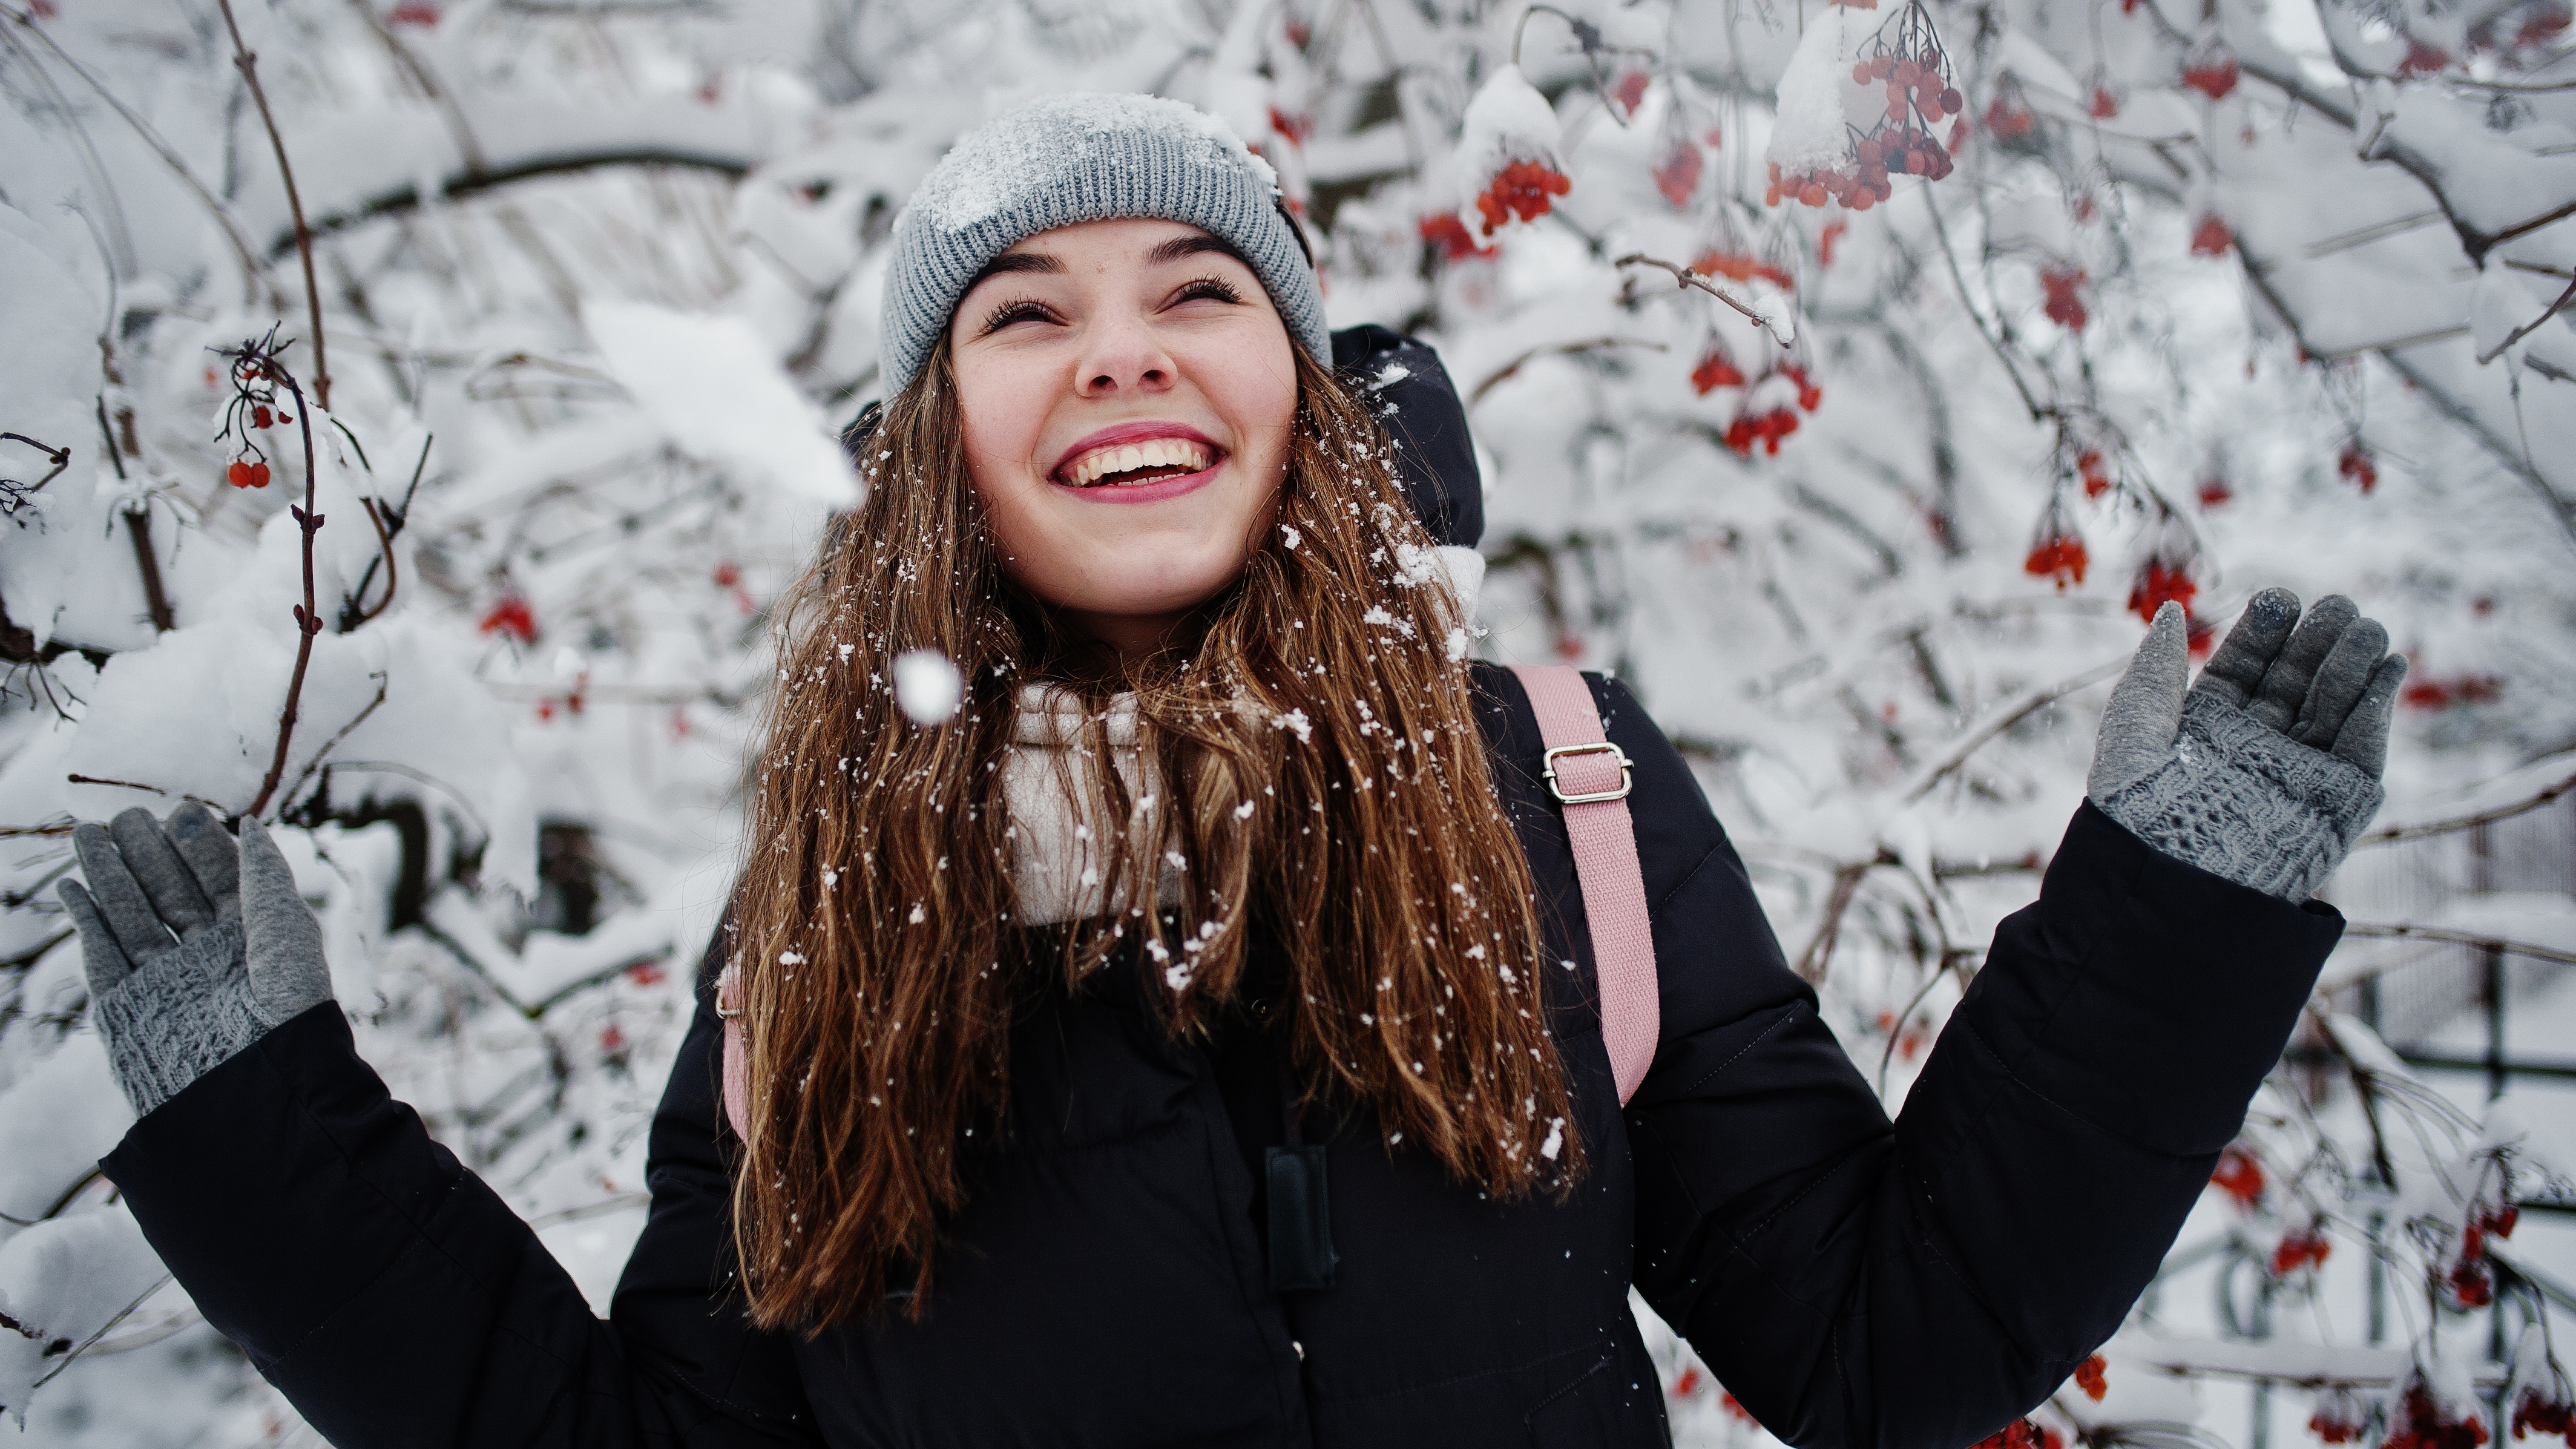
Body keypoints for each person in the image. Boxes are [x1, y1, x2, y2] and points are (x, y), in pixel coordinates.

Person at [62, 93, 2406, 1449]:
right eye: (1023, 313)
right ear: (935, 457)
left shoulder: (1553, 799)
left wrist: (2171, 914)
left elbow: (1885, 1338)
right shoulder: (832, 921)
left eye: (1196, 289)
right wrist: (278, 1158)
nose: (1120, 355)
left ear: (1300, 388)